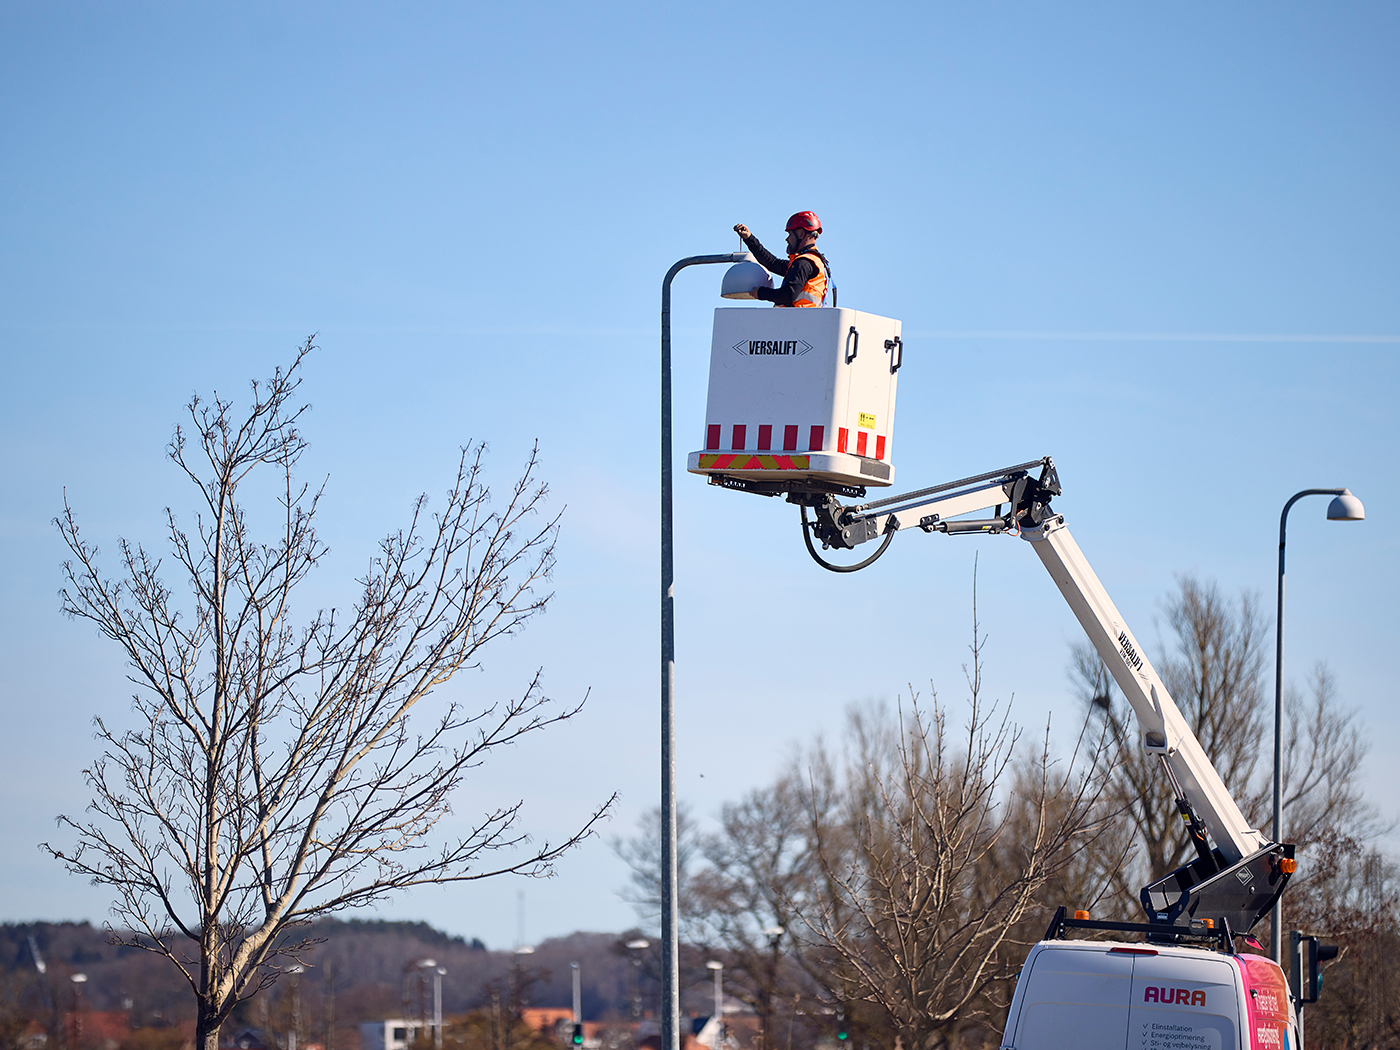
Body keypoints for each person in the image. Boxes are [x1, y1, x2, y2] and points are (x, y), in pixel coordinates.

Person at [733, 211, 831, 307]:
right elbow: (771, 263)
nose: (787, 239)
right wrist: (749, 239)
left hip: (797, 320)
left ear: (801, 234)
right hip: (805, 319)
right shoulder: (811, 261)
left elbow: (788, 294)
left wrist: (761, 293)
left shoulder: (803, 263)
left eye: (790, 234)